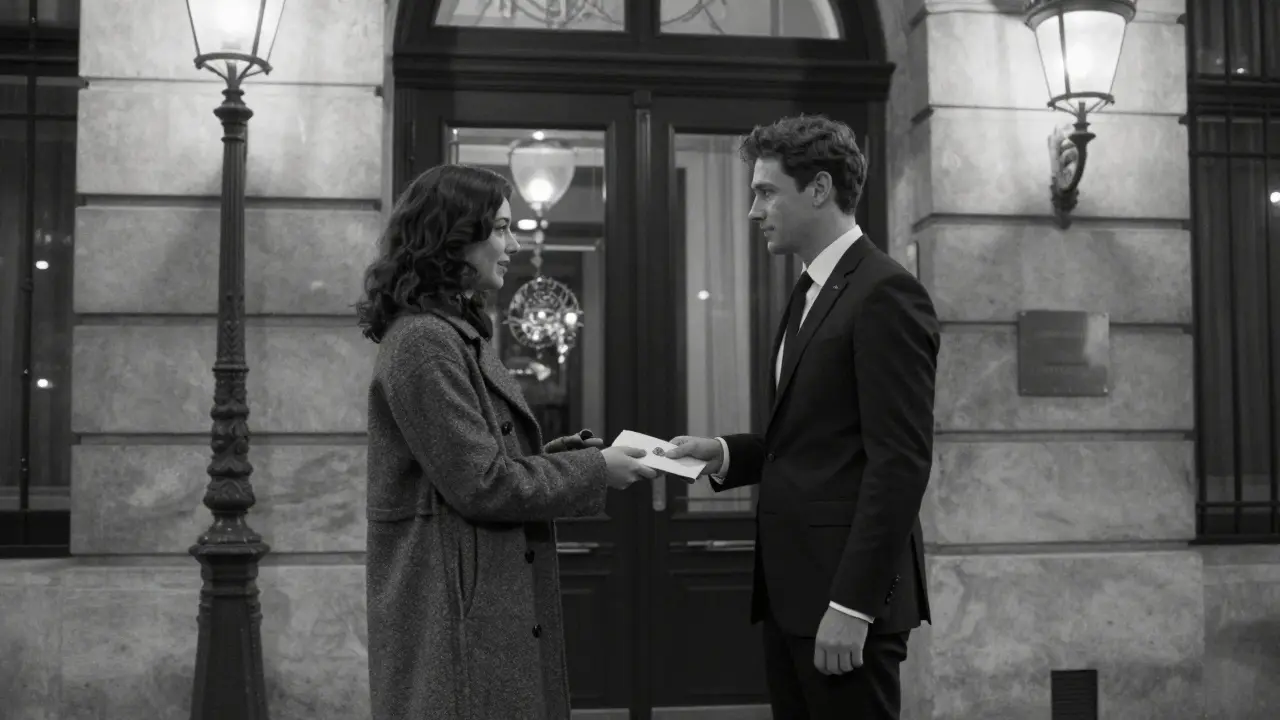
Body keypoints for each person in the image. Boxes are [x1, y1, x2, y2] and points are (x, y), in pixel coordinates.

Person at [357, 163, 658, 720]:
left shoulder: (453, 333)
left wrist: (574, 460)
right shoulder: (426, 342)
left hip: (476, 615)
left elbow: (481, 464)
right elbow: (483, 485)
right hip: (458, 625)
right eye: (499, 228)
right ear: (453, 239)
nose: (513, 243)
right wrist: (597, 471)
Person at [664, 115, 938, 719]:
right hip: (795, 595)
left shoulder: (885, 292)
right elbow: (814, 441)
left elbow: (900, 463)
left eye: (765, 192)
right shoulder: (810, 288)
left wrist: (853, 606)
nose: (753, 211)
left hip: (843, 604)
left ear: (818, 189)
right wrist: (726, 453)